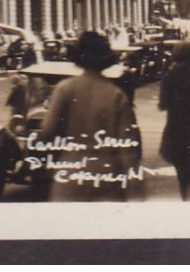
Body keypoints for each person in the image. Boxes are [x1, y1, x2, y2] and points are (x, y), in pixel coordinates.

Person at [36, 30, 141, 202]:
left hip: (71, 172)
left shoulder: (65, 89)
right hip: (106, 176)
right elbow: (127, 149)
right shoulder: (116, 95)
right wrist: (134, 189)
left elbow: (48, 132)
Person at [159, 41, 190, 200]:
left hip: (176, 132)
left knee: (183, 175)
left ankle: (186, 201)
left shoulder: (169, 78)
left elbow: (162, 105)